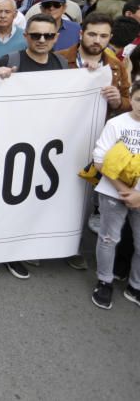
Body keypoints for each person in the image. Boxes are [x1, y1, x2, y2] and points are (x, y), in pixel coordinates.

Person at [89, 80, 140, 310]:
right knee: (109, 238)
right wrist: (122, 189)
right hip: (112, 192)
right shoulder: (117, 124)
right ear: (132, 97)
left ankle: (135, 286)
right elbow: (99, 160)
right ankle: (105, 281)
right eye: (139, 100)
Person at [0, 14, 68, 79]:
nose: (42, 40)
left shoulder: (61, 62)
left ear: (56, 37)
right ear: (25, 36)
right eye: (35, 35)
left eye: (48, 36)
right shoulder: (6, 62)